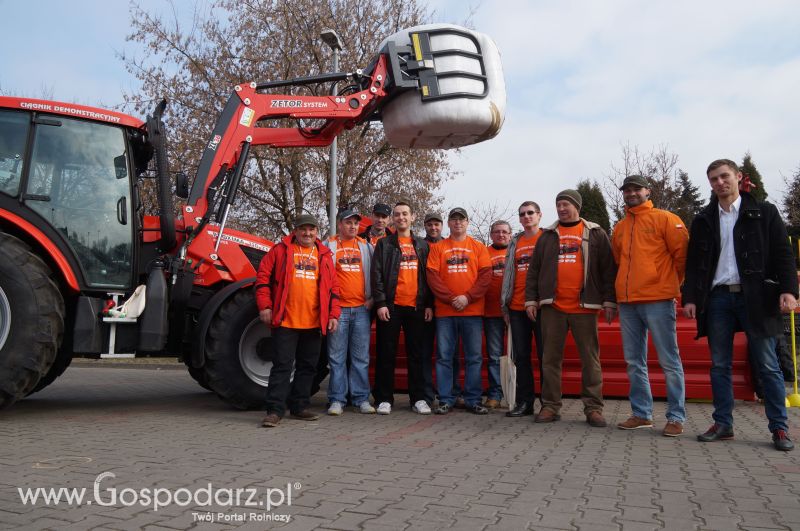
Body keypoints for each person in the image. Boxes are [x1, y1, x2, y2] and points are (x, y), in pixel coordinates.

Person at [682, 159, 799, 451]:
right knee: (719, 364)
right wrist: (691, 298)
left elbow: (783, 254)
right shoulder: (703, 219)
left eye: (724, 177)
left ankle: (779, 429)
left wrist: (788, 290)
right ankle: (723, 424)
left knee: (768, 365)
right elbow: (695, 263)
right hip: (718, 297)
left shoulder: (764, 212)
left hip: (757, 297)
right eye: (713, 179)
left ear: (738, 177)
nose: (719, 183)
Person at [525, 190, 616, 427]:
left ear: (577, 206)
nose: (561, 208)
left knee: (590, 360)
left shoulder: (595, 233)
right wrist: (531, 299)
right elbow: (534, 271)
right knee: (550, 360)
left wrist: (609, 300)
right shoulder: (547, 236)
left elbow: (608, 268)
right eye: (558, 205)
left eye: (566, 204)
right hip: (553, 307)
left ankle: (593, 408)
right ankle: (550, 406)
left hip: (585, 307)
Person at [611, 175, 689, 437]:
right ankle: (642, 414)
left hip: (658, 300)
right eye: (627, 190)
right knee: (634, 362)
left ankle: (676, 417)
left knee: (669, 360)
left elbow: (682, 257)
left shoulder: (666, 218)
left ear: (648, 190)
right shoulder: (620, 227)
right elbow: (617, 263)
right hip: (628, 303)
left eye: (636, 189)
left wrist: (668, 285)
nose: (631, 193)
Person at [255, 214, 340, 428]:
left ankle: (299, 407)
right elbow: (263, 277)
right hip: (286, 321)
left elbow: (334, 289)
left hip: (313, 323)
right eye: (303, 229)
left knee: (307, 367)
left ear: (316, 232)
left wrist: (333, 315)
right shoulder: (280, 250)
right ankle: (274, 411)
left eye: (311, 229)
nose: (307, 233)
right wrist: (265, 306)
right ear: (296, 231)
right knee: (282, 367)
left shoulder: (325, 255)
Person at [427, 207, 492, 415]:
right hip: (445, 313)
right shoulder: (439, 248)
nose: (457, 223)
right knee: (445, 357)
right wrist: (450, 298)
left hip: (472, 312)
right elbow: (432, 276)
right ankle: (446, 399)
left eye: (461, 219)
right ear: (449, 223)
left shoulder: (478, 247)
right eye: (453, 219)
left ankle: (473, 399)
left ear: (467, 222)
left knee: (474, 357)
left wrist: (467, 297)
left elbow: (485, 276)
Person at [372, 202, 433, 414]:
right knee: (386, 353)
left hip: (416, 307)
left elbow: (429, 278)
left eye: (405, 214)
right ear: (392, 219)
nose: (401, 218)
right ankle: (384, 399)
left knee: (416, 355)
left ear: (412, 217)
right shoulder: (384, 244)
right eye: (397, 215)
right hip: (391, 307)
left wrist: (428, 304)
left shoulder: (423, 245)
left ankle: (418, 399)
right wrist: (380, 303)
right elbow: (377, 275)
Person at [323, 208, 375, 416]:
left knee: (361, 357)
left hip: (361, 309)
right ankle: (337, 400)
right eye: (348, 222)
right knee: (336, 358)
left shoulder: (366, 246)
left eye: (355, 223)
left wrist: (372, 299)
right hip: (338, 311)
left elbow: (374, 273)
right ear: (339, 224)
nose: (353, 226)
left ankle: (361, 398)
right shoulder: (329, 245)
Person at [501, 201, 544, 417]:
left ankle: (548, 404)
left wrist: (537, 299)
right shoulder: (515, 242)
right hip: (517, 307)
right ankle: (525, 403)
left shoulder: (547, 238)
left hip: (542, 307)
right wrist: (506, 306)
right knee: (522, 358)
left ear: (539, 215)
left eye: (530, 213)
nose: (526, 217)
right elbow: (509, 274)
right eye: (522, 214)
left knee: (547, 357)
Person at [483, 220, 512, 409]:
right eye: (497, 232)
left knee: (516, 357)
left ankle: (515, 394)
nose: (501, 235)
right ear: (491, 235)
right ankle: (495, 394)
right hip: (491, 313)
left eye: (504, 232)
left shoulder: (516, 251)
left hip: (515, 313)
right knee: (494, 356)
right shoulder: (484, 253)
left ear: (510, 235)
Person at [421, 212, 445, 406]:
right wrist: (427, 304)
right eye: (429, 225)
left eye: (436, 224)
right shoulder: (420, 246)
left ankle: (449, 393)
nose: (433, 228)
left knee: (447, 353)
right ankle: (427, 394)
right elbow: (422, 280)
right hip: (427, 308)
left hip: (447, 307)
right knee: (426, 352)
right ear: (425, 226)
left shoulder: (448, 245)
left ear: (441, 226)